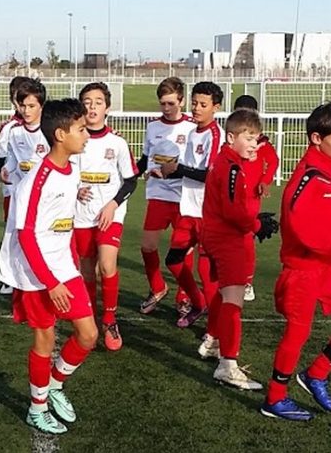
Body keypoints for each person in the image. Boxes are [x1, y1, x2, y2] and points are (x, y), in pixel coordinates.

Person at [261, 102, 331, 421]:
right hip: (304, 269)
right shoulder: (310, 175)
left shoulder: (326, 167)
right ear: (316, 138)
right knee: (297, 334)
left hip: (329, 265)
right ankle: (274, 399)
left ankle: (316, 374)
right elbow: (299, 227)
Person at [0, 98, 98, 435]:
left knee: (88, 334)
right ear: (60, 135)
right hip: (34, 273)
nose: (87, 135)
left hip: (63, 267)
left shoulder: (72, 169)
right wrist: (50, 282)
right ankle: (37, 407)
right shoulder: (36, 181)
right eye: (81, 129)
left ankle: (54, 384)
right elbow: (25, 235)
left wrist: (68, 269)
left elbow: (61, 224)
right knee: (45, 338)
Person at [199, 109, 279, 390]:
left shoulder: (227, 161)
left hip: (217, 236)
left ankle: (213, 342)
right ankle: (227, 365)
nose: (254, 145)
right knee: (234, 301)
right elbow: (233, 211)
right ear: (231, 137)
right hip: (227, 239)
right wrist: (256, 225)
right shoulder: (231, 167)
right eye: (249, 138)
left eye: (257, 139)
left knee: (224, 294)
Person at [74, 82, 138, 351]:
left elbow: (131, 180)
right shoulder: (74, 139)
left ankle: (110, 319)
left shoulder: (117, 143)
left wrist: (113, 205)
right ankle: (90, 319)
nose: (92, 107)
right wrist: (75, 190)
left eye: (98, 102)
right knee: (87, 268)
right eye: (87, 102)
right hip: (81, 215)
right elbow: (63, 172)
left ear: (107, 108)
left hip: (110, 214)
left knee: (107, 265)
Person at [160, 82, 224, 328]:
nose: (196, 108)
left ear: (216, 107)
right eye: (195, 103)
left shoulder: (215, 135)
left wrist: (177, 168)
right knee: (174, 260)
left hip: (207, 214)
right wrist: (167, 173)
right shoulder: (192, 133)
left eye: (203, 105)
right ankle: (198, 303)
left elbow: (210, 176)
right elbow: (190, 171)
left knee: (207, 273)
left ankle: (214, 330)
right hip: (188, 210)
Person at [137, 77, 196, 316]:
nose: (166, 108)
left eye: (171, 103)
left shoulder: (192, 127)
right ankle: (158, 287)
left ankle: (184, 297)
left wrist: (176, 171)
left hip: (184, 197)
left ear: (181, 101)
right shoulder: (153, 127)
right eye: (163, 103)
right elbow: (145, 159)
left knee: (183, 250)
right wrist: (134, 172)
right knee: (147, 246)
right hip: (158, 194)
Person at [0, 79, 49, 295]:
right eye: (23, 106)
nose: (26, 111)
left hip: (46, 199)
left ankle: (46, 282)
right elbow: (11, 159)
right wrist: (6, 170)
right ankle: (13, 280)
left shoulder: (50, 131)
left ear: (41, 106)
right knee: (15, 238)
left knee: (44, 242)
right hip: (20, 196)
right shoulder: (14, 132)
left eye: (31, 106)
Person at [232, 95, 280, 302]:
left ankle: (247, 282)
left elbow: (273, 161)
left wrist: (265, 181)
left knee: (246, 239)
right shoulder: (230, 140)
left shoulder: (261, 143)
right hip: (231, 195)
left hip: (251, 197)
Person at [0, 76, 25, 220]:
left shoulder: (46, 125)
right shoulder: (8, 128)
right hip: (12, 190)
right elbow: (0, 157)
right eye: (17, 99)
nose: (21, 105)